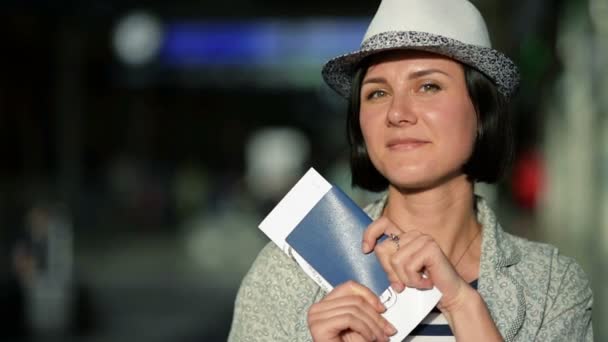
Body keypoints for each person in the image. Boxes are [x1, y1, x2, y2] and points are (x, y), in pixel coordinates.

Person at [228, 0, 594, 340]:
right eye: (377, 93)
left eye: (428, 86)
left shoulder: (552, 285)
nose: (397, 112)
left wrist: (463, 305)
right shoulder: (284, 274)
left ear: (482, 110)